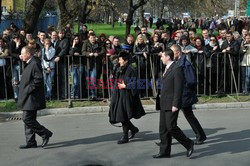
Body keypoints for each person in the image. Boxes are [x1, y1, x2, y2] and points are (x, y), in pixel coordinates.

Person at [153, 49, 194, 158]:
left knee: (171, 127)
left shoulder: (177, 68)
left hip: (172, 103)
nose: (161, 58)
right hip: (163, 102)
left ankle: (188, 143)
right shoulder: (166, 68)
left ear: (168, 57)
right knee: (163, 128)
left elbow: (178, 88)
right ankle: (164, 151)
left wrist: (175, 104)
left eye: (162, 56)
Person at [17, 46, 53, 149]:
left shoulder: (34, 63)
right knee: (29, 119)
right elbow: (30, 78)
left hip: (32, 97)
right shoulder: (29, 63)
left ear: (28, 54)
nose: (21, 55)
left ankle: (45, 133)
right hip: (28, 97)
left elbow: (38, 79)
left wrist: (28, 89)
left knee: (27, 118)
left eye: (22, 54)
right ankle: (30, 142)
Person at [171, 44, 207, 145]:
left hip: (184, 94)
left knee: (187, 116)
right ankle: (166, 139)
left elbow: (191, 80)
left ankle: (200, 136)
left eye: (172, 52)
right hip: (180, 94)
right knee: (174, 118)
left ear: (177, 52)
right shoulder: (178, 62)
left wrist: (182, 87)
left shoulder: (185, 64)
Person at [109, 51, 145, 144]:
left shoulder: (131, 70)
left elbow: (136, 83)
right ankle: (133, 129)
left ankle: (125, 136)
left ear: (126, 60)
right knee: (120, 114)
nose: (119, 61)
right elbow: (114, 78)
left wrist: (126, 86)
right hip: (118, 94)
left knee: (122, 115)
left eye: (120, 59)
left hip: (126, 95)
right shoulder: (118, 67)